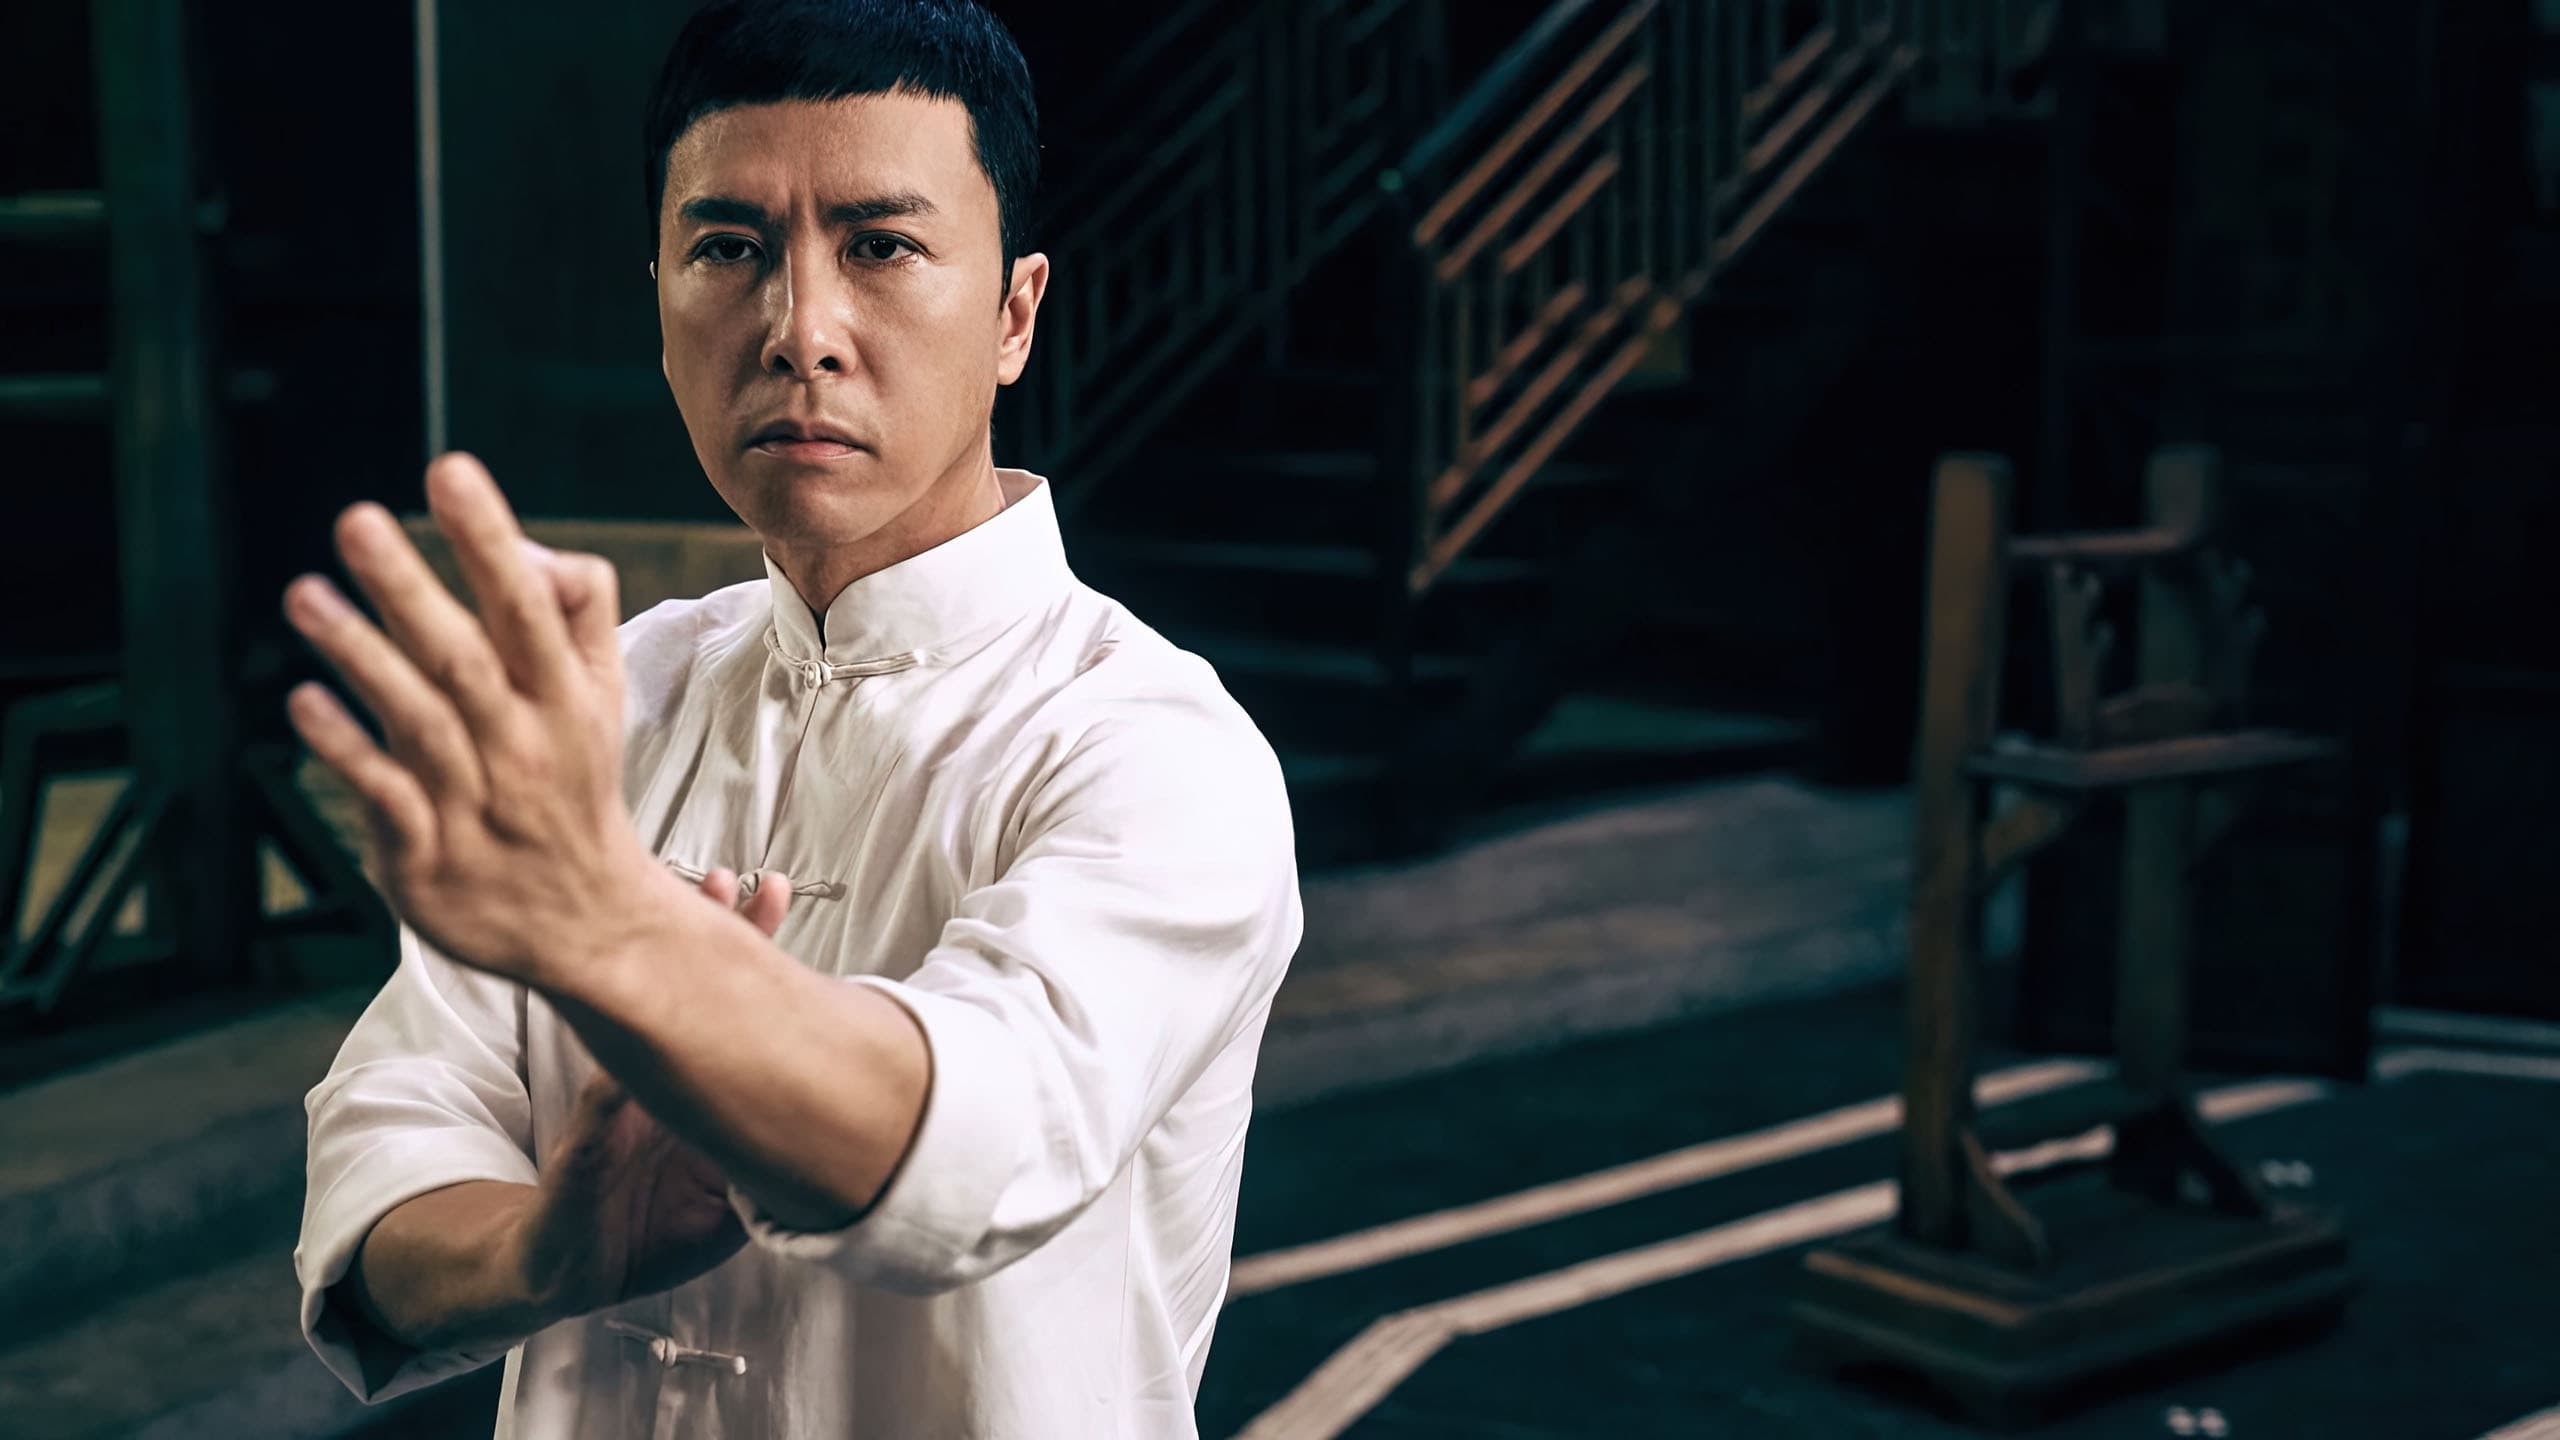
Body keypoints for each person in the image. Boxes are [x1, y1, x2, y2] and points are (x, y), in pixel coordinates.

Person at [286, 2, 1303, 1434]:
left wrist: (610, 932)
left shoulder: (1153, 747)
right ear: (659, 301)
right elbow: (391, 1145)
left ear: (1014, 314)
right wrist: (541, 1254)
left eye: (881, 246)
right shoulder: (620, 696)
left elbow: (981, 1139)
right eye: (730, 250)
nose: (798, 332)